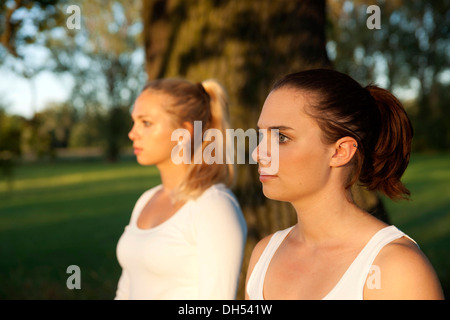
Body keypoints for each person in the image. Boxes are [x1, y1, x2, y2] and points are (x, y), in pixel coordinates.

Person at [245, 69, 444, 300]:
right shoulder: (264, 255)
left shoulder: (396, 269)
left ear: (340, 152)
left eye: (281, 138)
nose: (258, 153)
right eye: (261, 135)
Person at [115, 78, 247, 300]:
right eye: (134, 122)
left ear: (184, 133)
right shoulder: (146, 200)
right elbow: (125, 291)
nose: (132, 133)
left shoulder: (214, 206)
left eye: (146, 123)